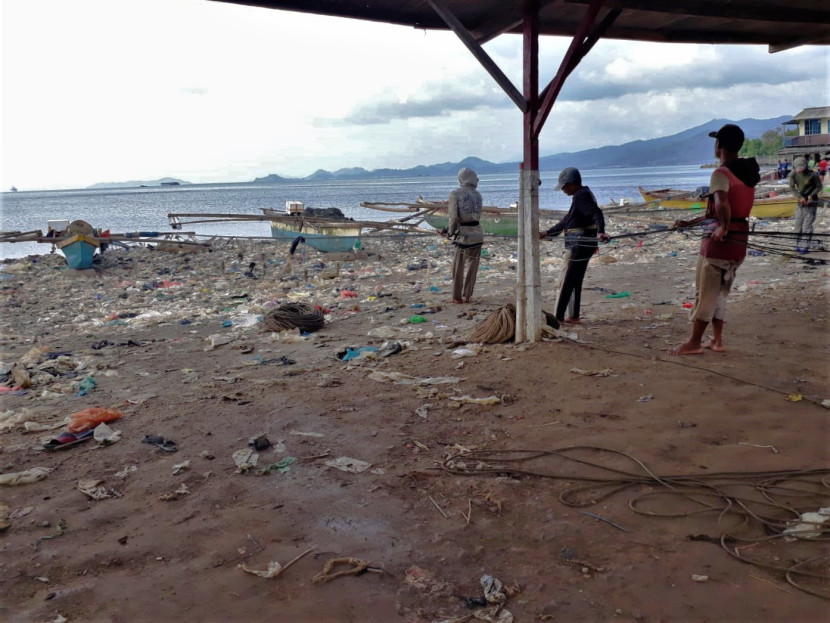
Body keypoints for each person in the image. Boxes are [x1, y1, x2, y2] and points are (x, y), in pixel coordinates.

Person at [669, 123, 759, 355]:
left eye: (716, 142)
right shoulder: (746, 173)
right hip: (739, 243)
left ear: (720, 145)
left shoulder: (721, 173)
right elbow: (720, 210)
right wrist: (689, 223)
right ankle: (717, 340)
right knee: (720, 293)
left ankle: (694, 343)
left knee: (706, 294)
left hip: (719, 244)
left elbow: (721, 203)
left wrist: (723, 227)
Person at [540, 167, 611, 324]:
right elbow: (568, 220)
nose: (563, 190)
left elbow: (596, 213)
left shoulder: (580, 195)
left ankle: (558, 318)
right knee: (576, 280)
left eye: (564, 186)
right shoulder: (582, 194)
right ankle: (574, 315)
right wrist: (549, 232)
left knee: (568, 280)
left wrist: (601, 232)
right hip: (584, 242)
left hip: (580, 242)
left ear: (572, 184)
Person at [445, 167, 484, 303]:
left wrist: (449, 232)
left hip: (464, 236)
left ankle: (457, 297)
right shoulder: (478, 195)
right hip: (478, 234)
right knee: (472, 268)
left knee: (458, 268)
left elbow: (454, 218)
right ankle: (467, 296)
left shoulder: (455, 194)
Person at [788, 156, 823, 253]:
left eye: (801, 168)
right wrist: (800, 197)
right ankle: (797, 244)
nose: (799, 170)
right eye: (797, 168)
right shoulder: (793, 174)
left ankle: (805, 245)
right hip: (801, 202)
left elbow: (819, 186)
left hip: (811, 202)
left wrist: (812, 195)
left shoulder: (813, 175)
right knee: (798, 224)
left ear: (805, 166)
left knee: (807, 225)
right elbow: (792, 188)